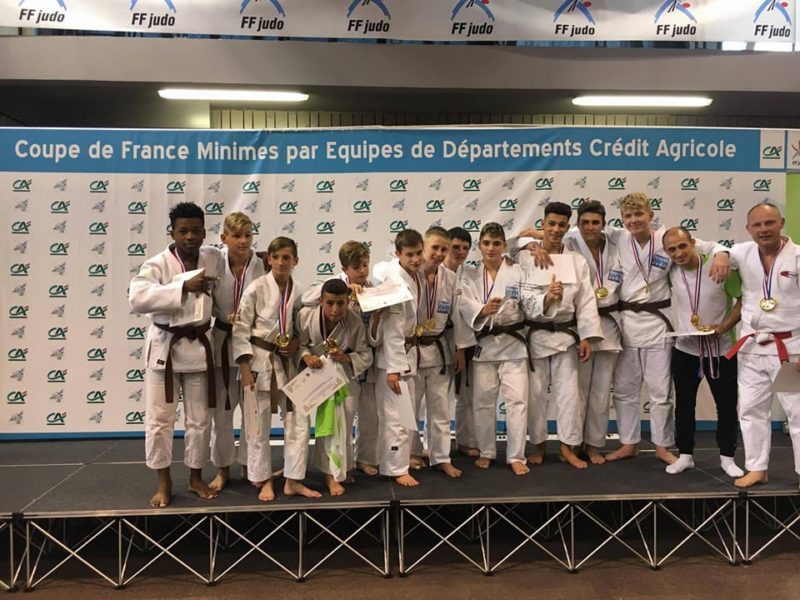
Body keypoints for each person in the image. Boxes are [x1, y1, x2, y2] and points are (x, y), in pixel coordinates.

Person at [129, 201, 221, 508]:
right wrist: (182, 286)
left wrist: (257, 258)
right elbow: (137, 297)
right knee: (160, 420)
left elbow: (236, 260)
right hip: (165, 349)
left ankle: (196, 477)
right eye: (183, 231)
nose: (190, 236)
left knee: (200, 421)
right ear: (172, 232)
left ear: (204, 232)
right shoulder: (156, 264)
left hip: (199, 348)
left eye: (196, 230)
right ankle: (164, 481)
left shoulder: (213, 257)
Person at [233, 236, 320, 501]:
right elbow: (240, 329)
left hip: (288, 364)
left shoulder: (302, 291)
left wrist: (296, 343)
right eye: (277, 257)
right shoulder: (256, 289)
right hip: (259, 362)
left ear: (296, 260)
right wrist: (244, 367)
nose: (282, 262)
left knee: (299, 421)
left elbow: (303, 327)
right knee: (257, 425)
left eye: (287, 257)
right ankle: (262, 480)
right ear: (268, 259)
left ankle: (293, 479)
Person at [518, 202, 603, 470]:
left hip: (567, 335)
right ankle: (538, 445)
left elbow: (586, 301)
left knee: (569, 395)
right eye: (551, 224)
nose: (556, 229)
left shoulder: (577, 261)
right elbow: (520, 292)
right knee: (535, 395)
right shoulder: (525, 257)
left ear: (568, 228)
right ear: (542, 224)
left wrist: (587, 336)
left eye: (561, 225)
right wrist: (529, 244)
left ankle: (568, 446)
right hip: (535, 335)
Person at [726, 203, 800, 488]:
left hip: (791, 346)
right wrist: (720, 255)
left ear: (781, 222)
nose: (763, 229)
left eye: (769, 223)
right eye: (757, 225)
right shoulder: (741, 252)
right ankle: (757, 468)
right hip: (751, 345)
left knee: (798, 413)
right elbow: (706, 247)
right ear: (748, 229)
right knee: (750, 409)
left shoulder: (797, 256)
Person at [459, 222, 541, 475]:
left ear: (504, 246)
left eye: (496, 243)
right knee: (483, 402)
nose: (491, 248)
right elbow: (463, 302)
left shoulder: (517, 270)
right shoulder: (470, 274)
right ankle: (487, 451)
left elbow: (530, 300)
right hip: (484, 345)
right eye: (486, 243)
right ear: (479, 246)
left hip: (513, 344)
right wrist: (482, 311)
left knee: (517, 401)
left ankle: (516, 455)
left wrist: (546, 299)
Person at [662, 226, 743, 477]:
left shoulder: (719, 267)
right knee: (684, 405)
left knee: (726, 405)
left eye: (682, 246)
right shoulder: (670, 270)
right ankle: (685, 455)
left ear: (693, 243)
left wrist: (724, 327)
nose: (678, 253)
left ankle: (727, 457)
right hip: (686, 349)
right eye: (671, 249)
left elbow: (743, 301)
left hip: (721, 349)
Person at [301, 241, 383, 477]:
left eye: (365, 265)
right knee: (337, 420)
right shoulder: (335, 287)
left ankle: (365, 458)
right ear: (344, 268)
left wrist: (377, 316)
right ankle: (335, 468)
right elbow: (308, 299)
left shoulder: (373, 289)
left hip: (363, 356)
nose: (362, 271)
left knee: (370, 414)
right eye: (356, 267)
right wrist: (345, 290)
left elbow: (374, 335)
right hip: (334, 365)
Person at [297, 278, 373, 495]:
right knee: (325, 427)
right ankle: (329, 475)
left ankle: (341, 469)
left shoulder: (355, 322)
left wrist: (347, 358)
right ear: (321, 300)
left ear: (348, 302)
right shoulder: (306, 316)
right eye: (330, 303)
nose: (335, 309)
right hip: (313, 377)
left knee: (344, 425)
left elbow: (366, 355)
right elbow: (298, 344)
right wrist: (306, 356)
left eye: (341, 303)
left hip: (343, 377)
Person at [209, 212, 265, 491]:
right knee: (222, 410)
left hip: (252, 344)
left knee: (251, 409)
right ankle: (222, 469)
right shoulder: (214, 263)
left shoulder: (262, 264)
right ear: (224, 238)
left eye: (248, 235)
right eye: (237, 236)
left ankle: (249, 464)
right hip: (222, 339)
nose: (243, 241)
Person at [415, 226, 471, 478]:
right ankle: (411, 453)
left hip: (439, 349)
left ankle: (441, 457)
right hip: (412, 349)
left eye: (443, 249)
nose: (439, 253)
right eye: (434, 248)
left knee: (440, 410)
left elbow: (457, 316)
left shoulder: (449, 277)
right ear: (424, 247)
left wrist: (460, 348)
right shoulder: (409, 273)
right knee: (410, 409)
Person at [570, 201, 623, 465]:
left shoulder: (617, 242)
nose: (590, 227)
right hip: (581, 327)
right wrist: (532, 239)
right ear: (577, 224)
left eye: (595, 222)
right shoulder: (568, 243)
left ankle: (593, 445)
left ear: (604, 224)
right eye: (585, 223)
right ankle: (573, 443)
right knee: (578, 392)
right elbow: (518, 244)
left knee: (601, 394)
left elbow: (656, 230)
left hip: (610, 325)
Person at [374, 229, 426, 487]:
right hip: (394, 360)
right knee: (396, 418)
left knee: (406, 416)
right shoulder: (396, 283)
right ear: (398, 254)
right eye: (409, 255)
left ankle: (401, 461)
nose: (415, 259)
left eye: (418, 253)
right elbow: (392, 330)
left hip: (407, 354)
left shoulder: (411, 275)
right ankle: (395, 468)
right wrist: (394, 370)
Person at [445, 227, 479, 458]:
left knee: (466, 393)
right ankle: (424, 446)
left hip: (467, 339)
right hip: (440, 338)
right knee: (437, 398)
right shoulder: (435, 272)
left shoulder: (471, 275)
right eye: (455, 247)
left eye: (465, 248)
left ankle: (465, 440)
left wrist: (461, 346)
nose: (460, 252)